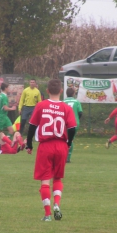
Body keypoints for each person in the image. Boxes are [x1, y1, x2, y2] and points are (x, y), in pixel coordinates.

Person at [26, 79, 76, 222]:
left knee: (45, 181)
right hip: (61, 145)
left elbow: (32, 127)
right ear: (61, 91)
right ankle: (57, 204)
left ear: (47, 91)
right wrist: (68, 142)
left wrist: (29, 144)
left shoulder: (41, 105)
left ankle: (47, 215)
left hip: (45, 146)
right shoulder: (67, 108)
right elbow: (72, 128)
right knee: (58, 178)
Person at [63, 87, 83, 163]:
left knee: (64, 140)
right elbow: (80, 112)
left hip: (64, 123)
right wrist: (76, 119)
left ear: (66, 93)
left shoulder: (63, 102)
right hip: (75, 123)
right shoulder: (76, 102)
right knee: (70, 140)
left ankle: (63, 156)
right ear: (73, 94)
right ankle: (68, 158)